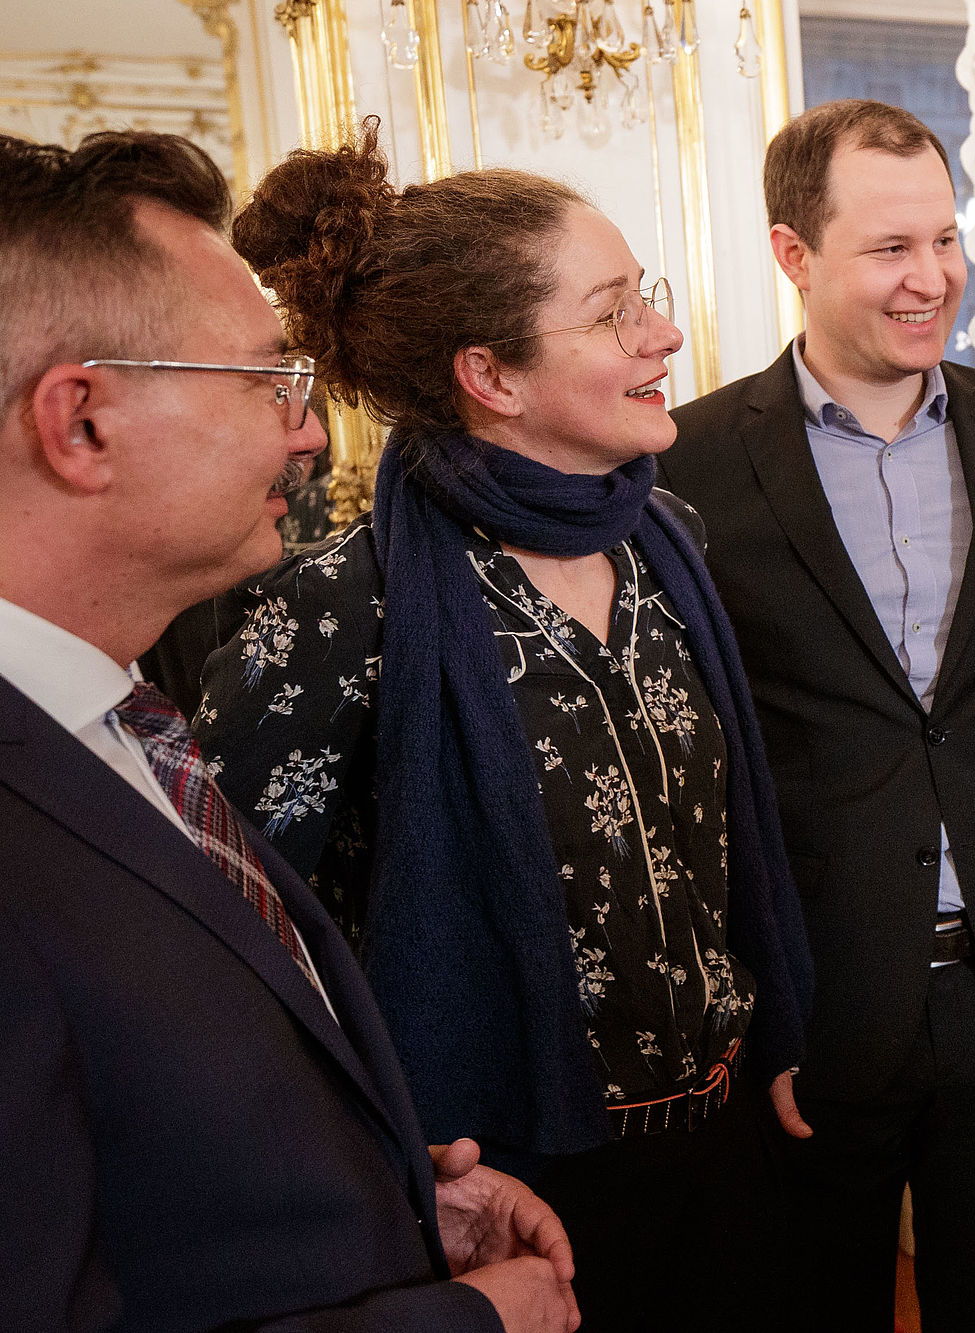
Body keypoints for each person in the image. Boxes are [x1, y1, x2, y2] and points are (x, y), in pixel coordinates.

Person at [192, 122, 813, 1331]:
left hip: (727, 1130)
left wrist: (775, 1022)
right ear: (493, 375)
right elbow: (233, 920)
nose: (664, 335)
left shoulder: (666, 539)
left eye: (646, 296)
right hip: (511, 1178)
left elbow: (722, 846)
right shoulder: (343, 602)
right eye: (612, 312)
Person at [0, 129, 577, 1332]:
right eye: (266, 381)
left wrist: (400, 1206)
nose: (308, 432)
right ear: (81, 423)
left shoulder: (121, 721)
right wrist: (465, 1322)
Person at [660, 98, 975, 1330]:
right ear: (792, 254)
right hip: (811, 1005)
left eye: (945, 239)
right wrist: (748, 1008)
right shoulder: (685, 460)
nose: (932, 278)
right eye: (891, 248)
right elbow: (689, 762)